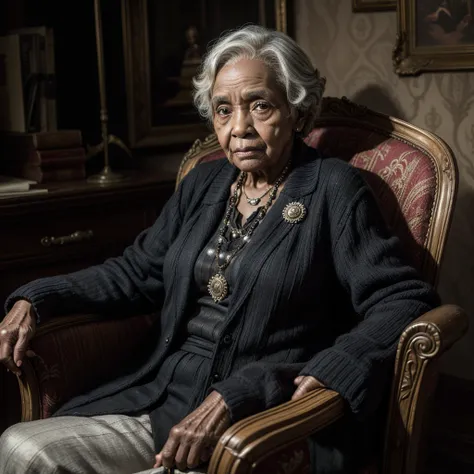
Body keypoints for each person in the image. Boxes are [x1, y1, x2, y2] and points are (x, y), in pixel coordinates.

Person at [0, 24, 439, 474]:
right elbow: (135, 273)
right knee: (20, 447)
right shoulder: (204, 182)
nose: (239, 128)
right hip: (162, 397)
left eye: (260, 106)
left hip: (257, 415)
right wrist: (37, 297)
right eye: (223, 110)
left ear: (297, 111)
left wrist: (336, 367)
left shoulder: (335, 189)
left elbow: (403, 299)